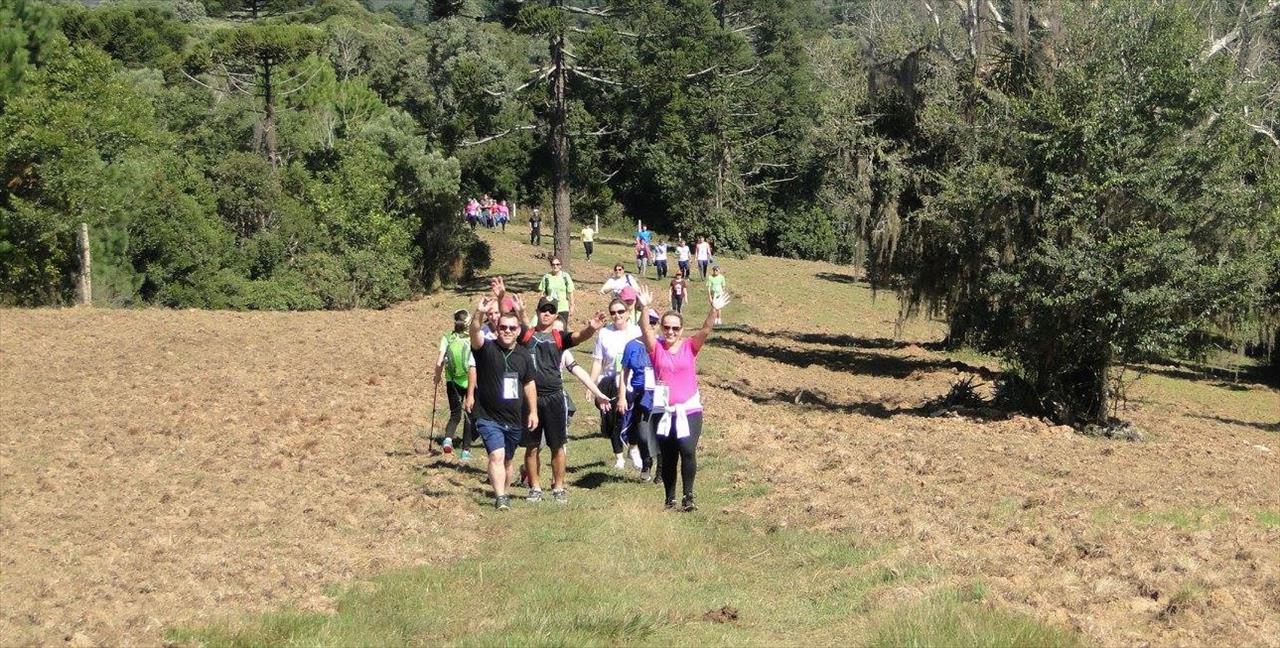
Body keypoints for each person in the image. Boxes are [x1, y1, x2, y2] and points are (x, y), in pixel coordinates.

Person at [635, 284, 731, 511]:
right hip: (664, 411)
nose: (670, 332)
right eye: (666, 327)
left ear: (681, 329)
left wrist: (713, 310)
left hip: (689, 409)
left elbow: (705, 331)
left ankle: (689, 496)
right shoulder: (655, 348)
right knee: (668, 456)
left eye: (675, 328)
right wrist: (644, 307)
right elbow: (644, 330)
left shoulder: (690, 346)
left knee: (687, 449)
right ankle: (670, 498)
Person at [509, 294, 606, 503]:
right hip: (532, 399)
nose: (547, 313)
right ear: (537, 312)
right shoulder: (527, 336)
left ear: (555, 316)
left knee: (557, 445)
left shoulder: (559, 337)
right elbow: (516, 323)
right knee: (532, 445)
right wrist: (517, 310)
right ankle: (535, 488)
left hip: (554, 398)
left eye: (551, 310)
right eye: (543, 309)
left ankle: (558, 488)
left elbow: (578, 337)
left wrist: (592, 328)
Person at [467, 296, 538, 510]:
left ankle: (504, 492)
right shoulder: (486, 349)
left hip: (514, 419)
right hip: (488, 416)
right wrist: (478, 314)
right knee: (496, 455)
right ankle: (500, 498)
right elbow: (474, 333)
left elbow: (529, 384)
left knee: (507, 460)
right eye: (503, 327)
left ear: (518, 331)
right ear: (497, 329)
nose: (507, 331)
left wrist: (533, 411)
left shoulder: (524, 356)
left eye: (511, 328)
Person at [589, 298, 641, 470]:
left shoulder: (636, 331)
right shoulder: (604, 333)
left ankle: (633, 447)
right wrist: (591, 385)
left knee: (633, 417)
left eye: (620, 311)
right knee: (613, 419)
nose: (617, 315)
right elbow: (598, 361)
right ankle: (619, 457)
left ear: (627, 312)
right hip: (609, 381)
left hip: (631, 381)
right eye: (613, 312)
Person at [618, 309, 661, 481]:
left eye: (654, 321)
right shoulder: (632, 345)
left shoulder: (663, 344)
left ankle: (661, 471)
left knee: (661, 433)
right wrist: (622, 396)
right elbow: (624, 373)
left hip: (660, 394)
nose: (650, 325)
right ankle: (646, 461)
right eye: (647, 321)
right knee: (643, 433)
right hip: (640, 394)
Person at [434, 309, 478, 460]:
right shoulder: (472, 338)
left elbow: (439, 361)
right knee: (469, 416)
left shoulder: (448, 337)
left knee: (455, 414)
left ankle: (447, 440)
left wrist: (437, 377)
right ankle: (465, 452)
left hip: (452, 380)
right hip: (471, 381)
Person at [537, 257, 575, 326]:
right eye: (553, 264)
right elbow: (542, 294)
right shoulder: (547, 277)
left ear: (561, 265)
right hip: (550, 308)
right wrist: (540, 307)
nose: (555, 266)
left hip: (563, 307)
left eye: (557, 264)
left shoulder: (565, 276)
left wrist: (572, 306)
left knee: (562, 329)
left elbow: (570, 292)